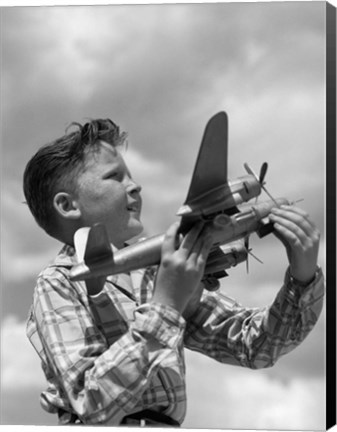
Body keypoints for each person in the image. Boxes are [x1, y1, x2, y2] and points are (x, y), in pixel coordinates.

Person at [23, 118, 324, 427]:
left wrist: (303, 278)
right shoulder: (58, 282)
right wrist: (166, 304)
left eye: (131, 175)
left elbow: (255, 345)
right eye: (115, 176)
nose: (135, 185)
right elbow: (91, 402)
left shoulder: (157, 272)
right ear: (67, 205)